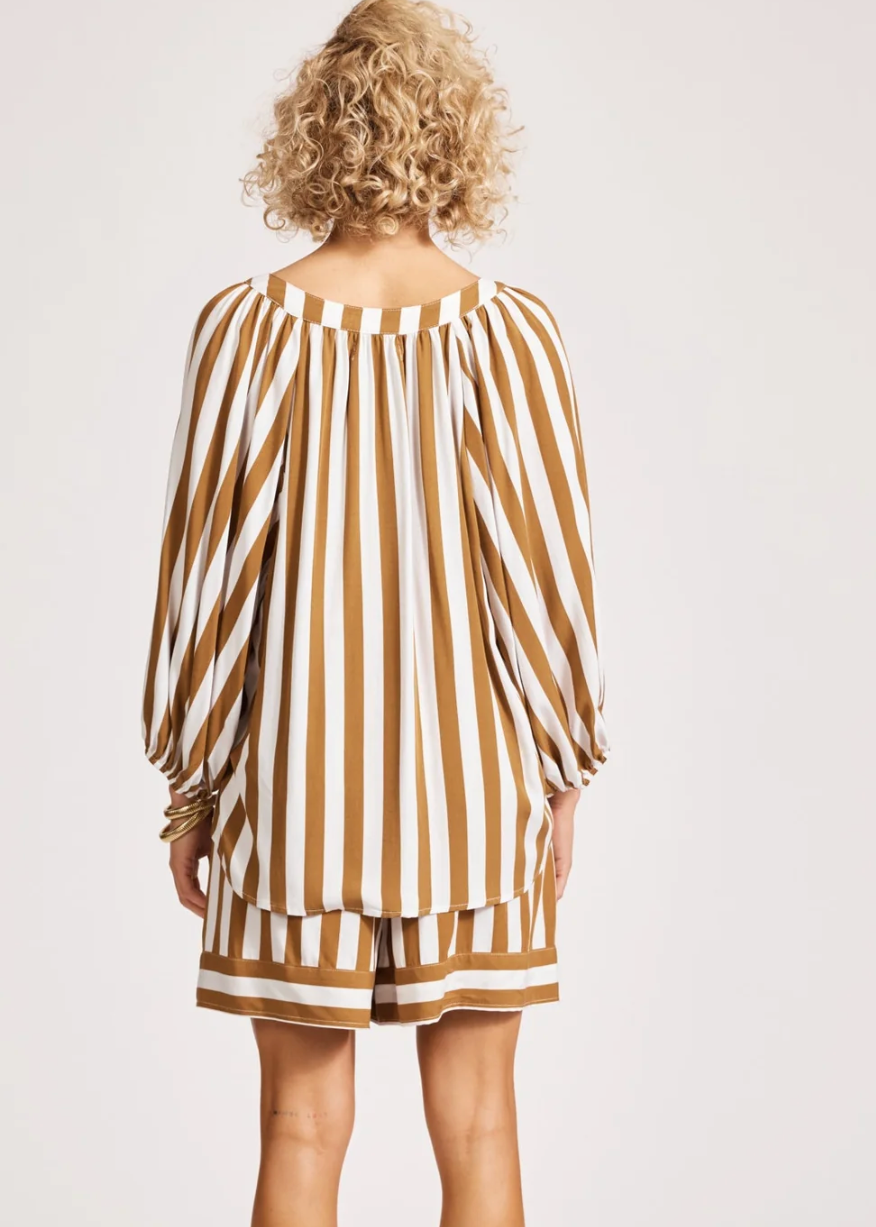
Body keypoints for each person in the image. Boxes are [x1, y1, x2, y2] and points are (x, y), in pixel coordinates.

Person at [140, 1, 609, 1223]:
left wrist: (193, 783)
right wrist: (565, 765)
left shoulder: (244, 330)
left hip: (294, 796)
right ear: (460, 134)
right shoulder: (513, 336)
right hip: (475, 796)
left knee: (298, 1126)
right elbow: (549, 579)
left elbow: (206, 583)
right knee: (484, 1123)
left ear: (312, 129)